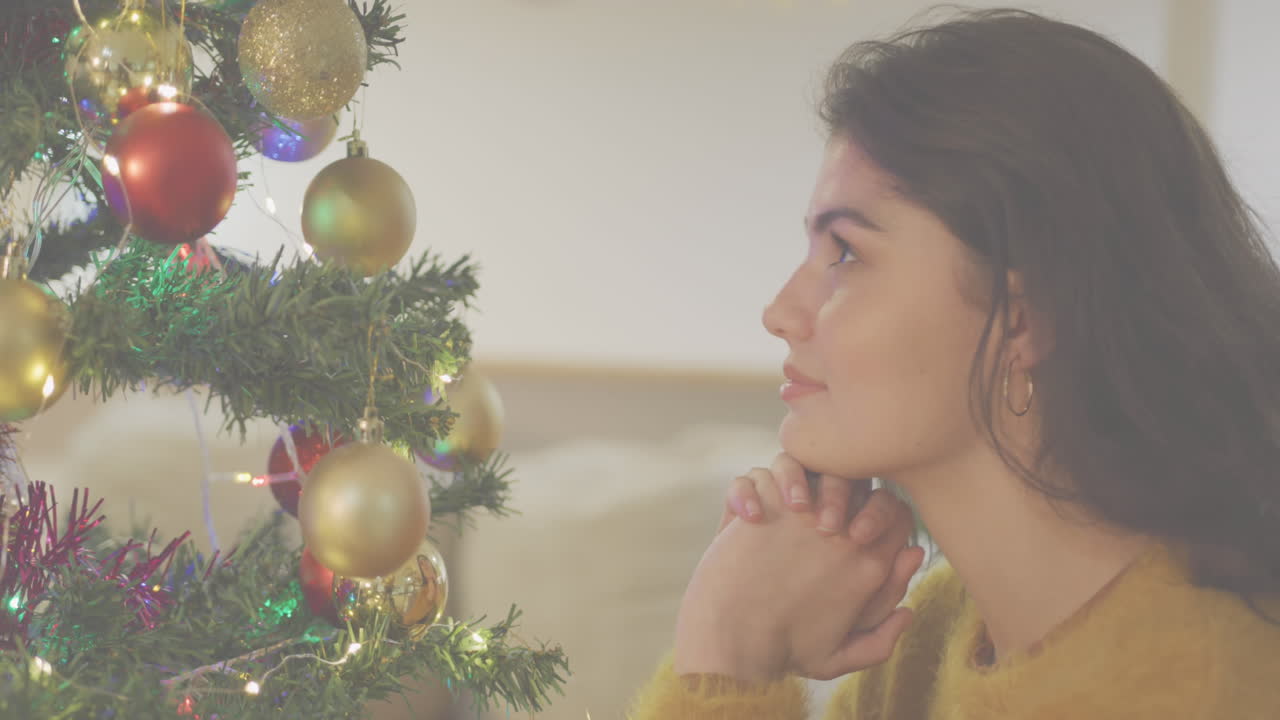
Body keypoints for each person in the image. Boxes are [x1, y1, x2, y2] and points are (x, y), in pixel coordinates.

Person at [626, 7, 1280, 719]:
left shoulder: (1206, 686)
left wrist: (726, 657)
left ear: (1023, 320)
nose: (780, 311)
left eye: (845, 253)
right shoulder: (941, 634)